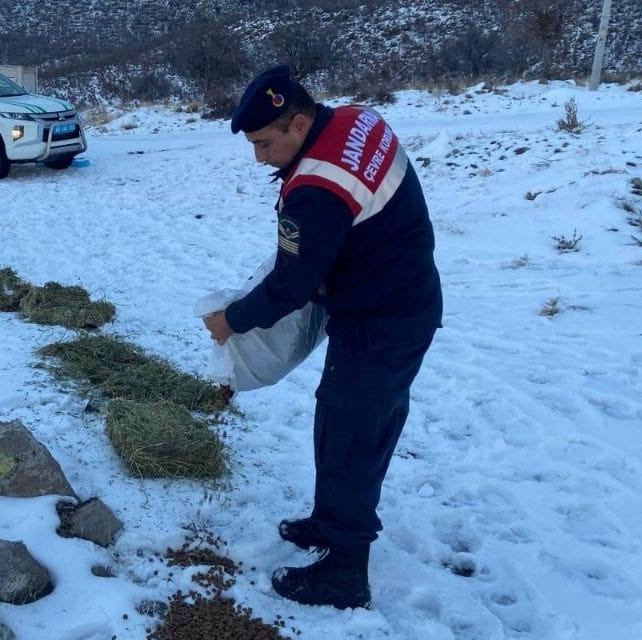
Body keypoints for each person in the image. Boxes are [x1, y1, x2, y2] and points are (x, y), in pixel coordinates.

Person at [202, 65, 442, 609]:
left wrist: (231, 321)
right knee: (346, 421)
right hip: (402, 298)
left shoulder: (317, 188)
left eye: (264, 143)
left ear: (299, 122)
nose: (259, 158)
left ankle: (345, 575)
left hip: (382, 320)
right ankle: (329, 520)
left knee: (353, 436)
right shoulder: (357, 119)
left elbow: (292, 283)